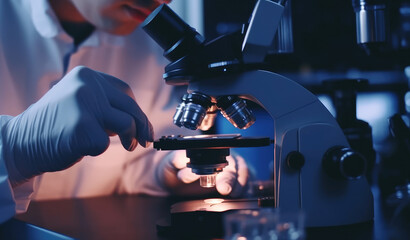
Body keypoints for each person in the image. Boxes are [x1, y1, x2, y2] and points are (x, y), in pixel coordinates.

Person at [0, 0, 249, 224]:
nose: (164, 0)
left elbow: (136, 158)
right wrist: (13, 151)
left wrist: (168, 174)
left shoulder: (147, 45)